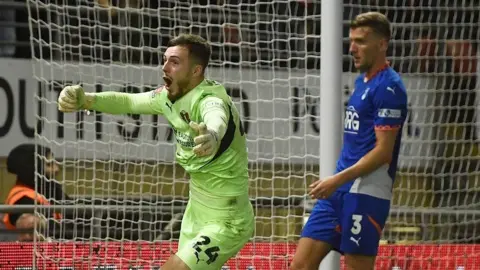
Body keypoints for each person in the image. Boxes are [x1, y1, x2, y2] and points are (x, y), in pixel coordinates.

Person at [57, 34, 254, 270]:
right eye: (164, 60)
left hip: (228, 219)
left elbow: (217, 117)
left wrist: (212, 134)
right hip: (196, 210)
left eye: (175, 62)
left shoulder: (209, 99)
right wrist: (87, 100)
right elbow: (129, 102)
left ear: (196, 71)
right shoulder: (168, 97)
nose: (164, 67)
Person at [290, 12, 408, 270]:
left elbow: (383, 152)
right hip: (337, 192)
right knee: (299, 265)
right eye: (351, 41)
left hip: (366, 193)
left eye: (361, 41)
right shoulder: (362, 81)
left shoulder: (390, 88)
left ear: (382, 44)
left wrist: (336, 179)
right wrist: (336, 182)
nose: (352, 48)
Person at [3, 144, 68, 241]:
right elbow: (29, 224)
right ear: (33, 169)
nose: (56, 169)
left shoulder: (51, 191)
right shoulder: (22, 198)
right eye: (49, 165)